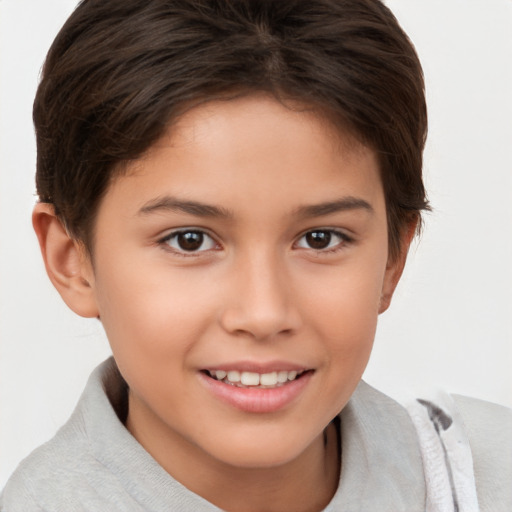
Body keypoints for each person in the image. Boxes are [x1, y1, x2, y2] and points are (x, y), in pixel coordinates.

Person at [1, 0, 510, 510]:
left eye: (320, 238)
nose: (263, 314)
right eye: (190, 240)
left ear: (393, 258)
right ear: (73, 261)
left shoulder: (488, 477)